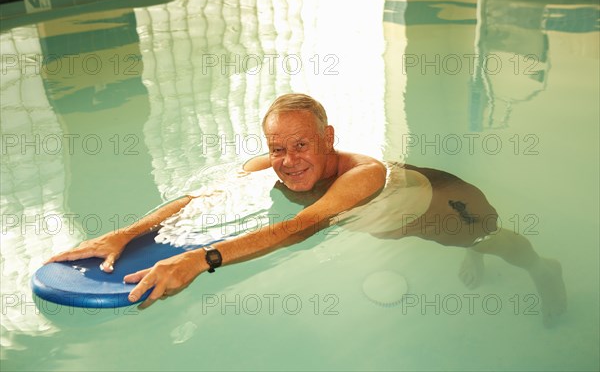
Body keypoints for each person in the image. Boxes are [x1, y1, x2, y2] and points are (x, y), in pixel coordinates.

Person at [46, 93, 566, 326]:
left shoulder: (359, 176)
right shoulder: (269, 164)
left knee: (492, 244)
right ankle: (477, 257)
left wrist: (201, 259)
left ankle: (547, 272)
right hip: (395, 221)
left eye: (301, 146)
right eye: (277, 148)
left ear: (328, 138)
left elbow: (301, 227)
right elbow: (200, 198)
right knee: (468, 250)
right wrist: (126, 233)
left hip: (447, 209)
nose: (288, 162)